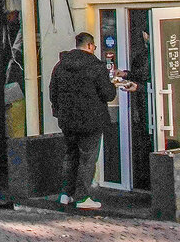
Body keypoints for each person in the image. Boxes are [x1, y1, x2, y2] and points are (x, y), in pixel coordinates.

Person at [50, 31, 135, 210]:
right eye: (94, 46)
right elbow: (108, 94)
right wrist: (112, 84)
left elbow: (53, 91)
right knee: (87, 158)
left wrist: (60, 112)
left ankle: (66, 194)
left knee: (71, 155)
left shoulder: (60, 65)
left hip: (67, 120)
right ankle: (82, 197)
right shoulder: (96, 67)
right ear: (89, 46)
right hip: (91, 120)